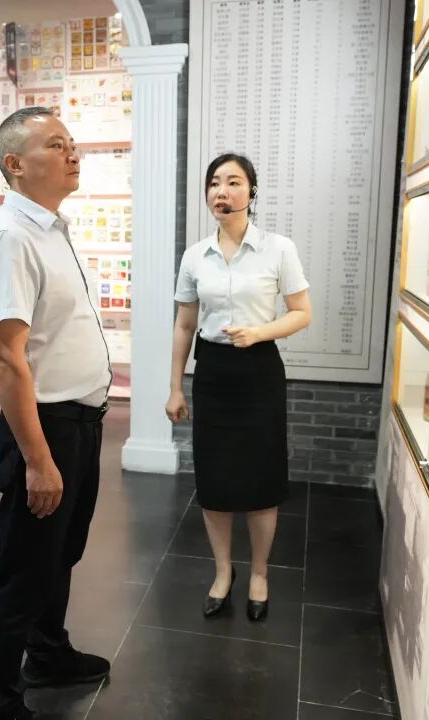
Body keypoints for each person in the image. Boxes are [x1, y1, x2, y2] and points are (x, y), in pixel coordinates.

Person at [0, 106, 113, 720]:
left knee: (60, 555)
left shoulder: (51, 228)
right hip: (46, 427)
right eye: (56, 145)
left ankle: (49, 653)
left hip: (80, 422)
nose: (72, 153)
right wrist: (37, 460)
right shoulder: (10, 236)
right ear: (15, 164)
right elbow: (5, 357)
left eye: (71, 143)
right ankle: (0, 701)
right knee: (24, 571)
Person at [165, 153, 312, 623]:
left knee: (261, 480)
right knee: (215, 480)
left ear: (252, 192)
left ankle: (260, 574)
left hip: (259, 371)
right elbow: (185, 325)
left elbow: (302, 313)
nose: (222, 191)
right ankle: (223, 571)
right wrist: (175, 387)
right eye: (215, 183)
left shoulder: (278, 249)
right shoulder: (195, 256)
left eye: (233, 182)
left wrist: (259, 332)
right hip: (212, 373)